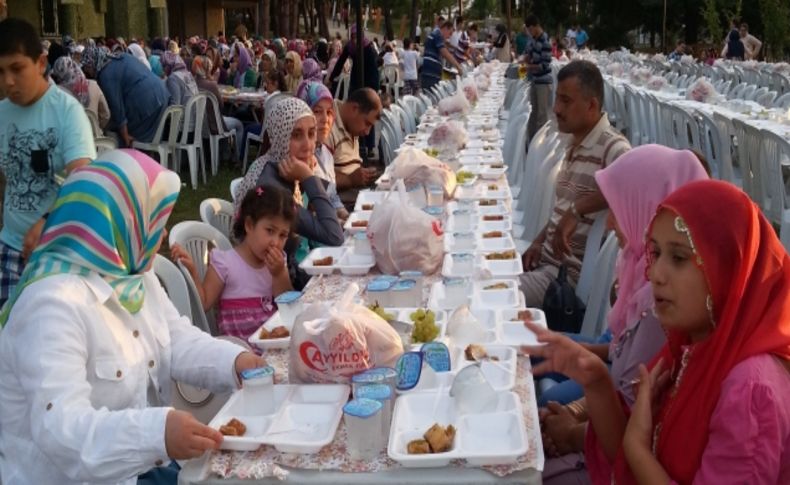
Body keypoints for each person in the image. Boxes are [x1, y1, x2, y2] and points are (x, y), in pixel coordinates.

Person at [0, 149, 266, 484]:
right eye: (155, 220)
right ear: (121, 225)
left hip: (137, 467)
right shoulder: (51, 306)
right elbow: (63, 431)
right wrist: (158, 434)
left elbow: (176, 337)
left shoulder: (132, 276)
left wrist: (238, 363)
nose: (164, 234)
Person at [526, 179, 790, 484]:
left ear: (729, 268)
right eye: (656, 254)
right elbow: (624, 462)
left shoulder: (750, 390)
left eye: (678, 258)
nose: (655, 274)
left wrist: (637, 448)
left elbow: (634, 454)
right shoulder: (687, 348)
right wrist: (595, 379)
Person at [537, 145, 708, 432]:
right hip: (611, 386)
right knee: (532, 351)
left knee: (543, 402)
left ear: (649, 209)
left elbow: (627, 398)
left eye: (618, 209)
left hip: (615, 413)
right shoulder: (635, 265)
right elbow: (617, 351)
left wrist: (572, 429)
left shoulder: (662, 297)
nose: (610, 222)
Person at [519, 61, 630, 309]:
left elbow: (632, 183)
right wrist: (539, 240)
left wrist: (577, 210)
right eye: (557, 99)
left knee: (491, 298)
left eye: (566, 101)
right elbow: (564, 206)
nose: (556, 109)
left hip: (565, 280)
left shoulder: (613, 147)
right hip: (546, 263)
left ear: (591, 105)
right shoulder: (575, 143)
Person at [0, 18, 95, 306]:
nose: (8, 82)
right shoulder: (2, 114)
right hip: (9, 246)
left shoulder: (67, 112)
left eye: (17, 69)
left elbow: (84, 183)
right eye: (0, 72)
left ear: (41, 63)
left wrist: (46, 222)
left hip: (55, 253)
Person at [237, 97, 344, 288]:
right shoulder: (272, 189)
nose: (308, 145)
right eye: (296, 135)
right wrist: (309, 178)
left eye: (311, 134)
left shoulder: (276, 164)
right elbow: (334, 236)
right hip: (266, 291)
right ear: (280, 137)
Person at [172, 185, 295, 339]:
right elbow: (204, 303)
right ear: (249, 225)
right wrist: (193, 273)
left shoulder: (276, 264)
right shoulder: (225, 263)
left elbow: (287, 306)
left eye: (283, 235)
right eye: (270, 231)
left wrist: (279, 274)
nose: (275, 242)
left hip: (271, 344)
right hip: (238, 351)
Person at [81, 47, 170, 147]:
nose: (86, 72)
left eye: (87, 67)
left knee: (128, 139)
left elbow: (117, 108)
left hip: (146, 103)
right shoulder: (121, 57)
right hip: (162, 93)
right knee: (152, 141)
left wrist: (125, 135)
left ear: (93, 63)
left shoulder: (106, 74)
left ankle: (134, 159)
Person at [297, 81, 347, 219]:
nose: (325, 119)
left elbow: (332, 197)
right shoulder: (296, 159)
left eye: (329, 112)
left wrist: (347, 217)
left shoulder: (326, 153)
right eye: (317, 111)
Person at [326, 87, 382, 208]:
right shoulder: (327, 126)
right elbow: (322, 180)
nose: (367, 132)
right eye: (367, 124)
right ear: (354, 109)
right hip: (341, 202)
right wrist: (350, 180)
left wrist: (364, 175)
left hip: (356, 193)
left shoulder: (351, 124)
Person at [192, 54, 244, 162]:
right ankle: (236, 158)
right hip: (214, 125)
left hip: (198, 124)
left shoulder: (191, 83)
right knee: (239, 124)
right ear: (207, 68)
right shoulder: (211, 85)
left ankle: (224, 152)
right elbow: (221, 106)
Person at [50, 55, 111, 131]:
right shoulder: (94, 85)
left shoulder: (57, 93)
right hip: (96, 139)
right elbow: (106, 115)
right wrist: (96, 128)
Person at [523, 15, 554, 144]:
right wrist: (526, 58)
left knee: (542, 115)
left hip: (543, 81)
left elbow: (544, 65)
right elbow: (528, 53)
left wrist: (528, 67)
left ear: (535, 27)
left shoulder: (545, 41)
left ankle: (541, 145)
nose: (529, 32)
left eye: (530, 30)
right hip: (535, 80)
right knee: (533, 113)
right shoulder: (534, 39)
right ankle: (531, 142)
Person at [421, 20, 463, 91]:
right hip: (430, 74)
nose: (449, 37)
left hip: (432, 73)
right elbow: (445, 53)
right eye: (450, 33)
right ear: (446, 28)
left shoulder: (436, 35)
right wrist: (457, 66)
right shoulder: (437, 34)